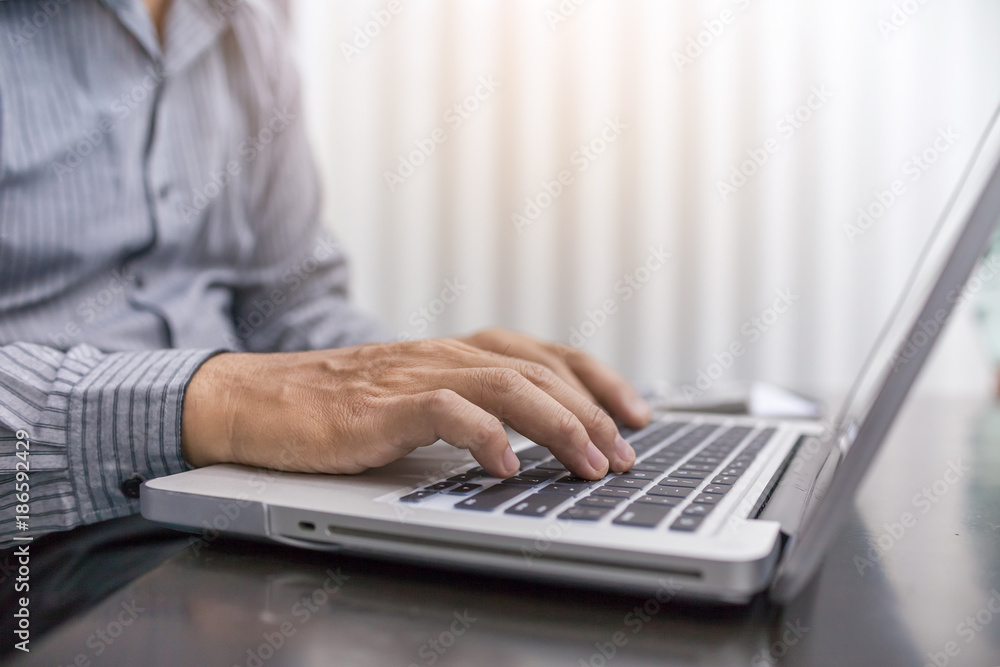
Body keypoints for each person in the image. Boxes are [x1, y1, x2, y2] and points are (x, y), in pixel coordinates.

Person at [0, 0, 649, 545]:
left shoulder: (248, 18)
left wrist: (424, 382)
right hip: (43, 544)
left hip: (228, 501)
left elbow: (289, 302)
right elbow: (256, 388)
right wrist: (223, 402)